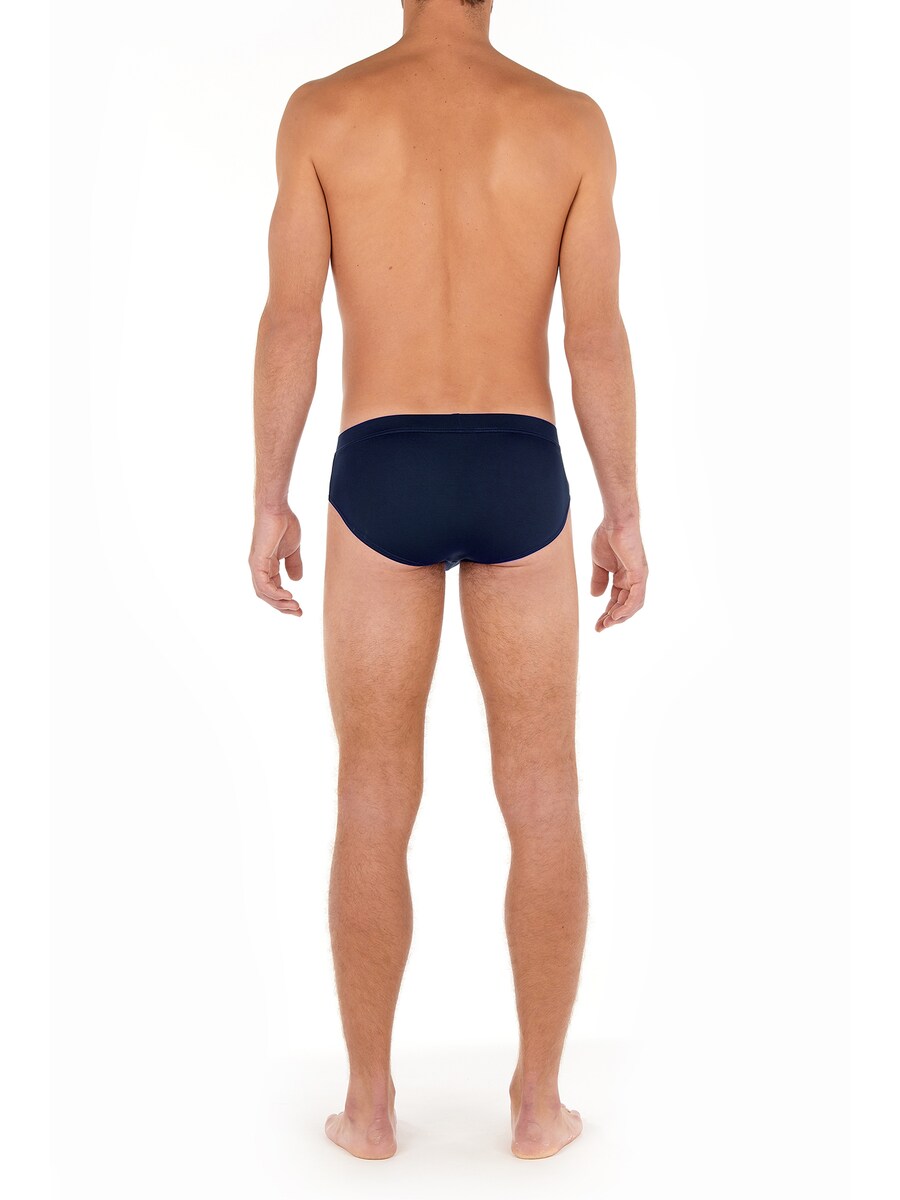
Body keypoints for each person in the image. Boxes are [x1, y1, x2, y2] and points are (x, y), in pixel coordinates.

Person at [248, 0, 648, 1162]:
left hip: (382, 461)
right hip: (520, 462)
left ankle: (369, 1108)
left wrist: (270, 495)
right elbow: (594, 336)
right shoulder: (568, 123)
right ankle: (539, 1106)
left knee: (374, 791)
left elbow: (291, 321)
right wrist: (623, 510)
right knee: (544, 792)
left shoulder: (324, 114)